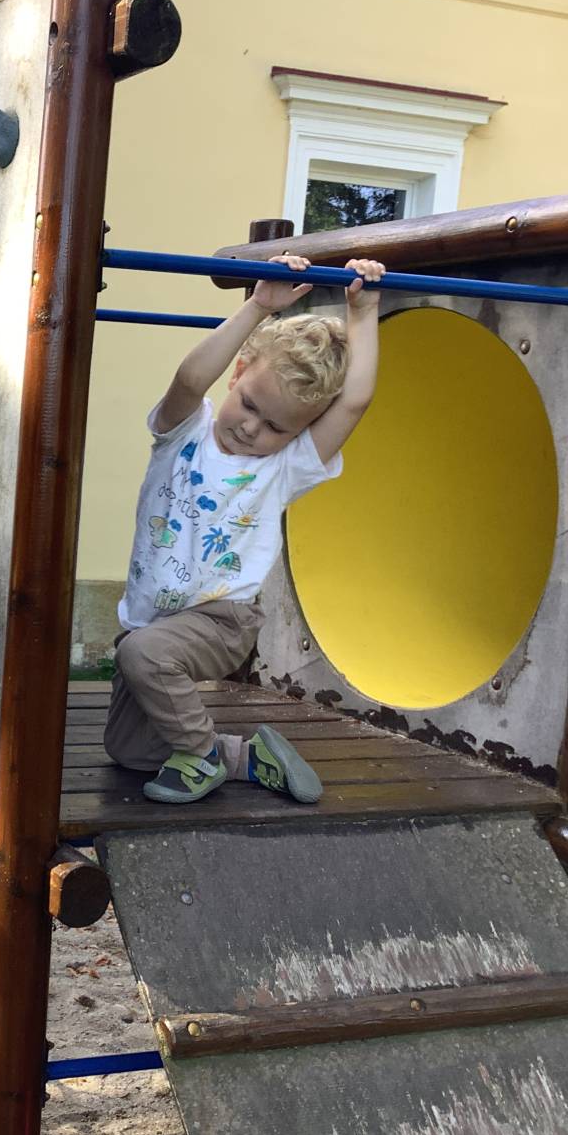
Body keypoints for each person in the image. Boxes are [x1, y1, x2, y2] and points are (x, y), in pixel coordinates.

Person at [106, 254, 385, 805]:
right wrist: (257, 306)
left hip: (221, 618)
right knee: (130, 750)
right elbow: (189, 377)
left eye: (276, 426)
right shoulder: (182, 432)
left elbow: (354, 401)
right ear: (235, 375)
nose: (253, 427)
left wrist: (365, 313)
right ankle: (244, 757)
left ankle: (202, 758)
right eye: (249, 404)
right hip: (151, 619)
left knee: (143, 656)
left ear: (298, 433)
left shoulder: (284, 468)